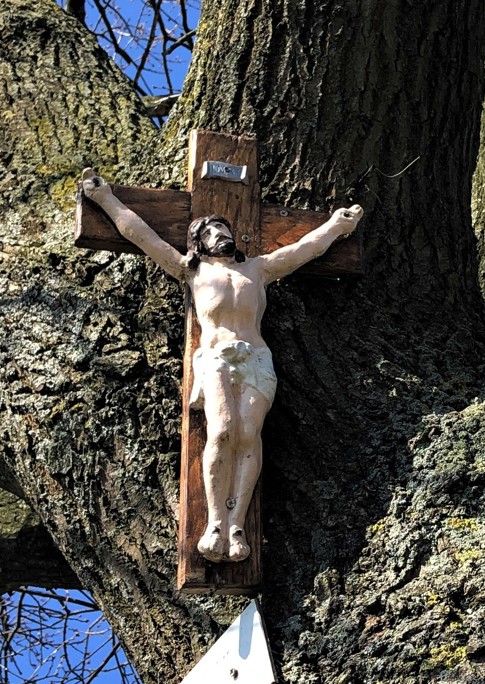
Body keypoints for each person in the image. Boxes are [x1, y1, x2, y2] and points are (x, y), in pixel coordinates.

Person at [80, 168, 363, 563]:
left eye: (223, 226)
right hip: (215, 357)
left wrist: (335, 225)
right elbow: (139, 233)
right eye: (210, 229)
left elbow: (305, 249)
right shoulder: (191, 270)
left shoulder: (259, 269)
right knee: (224, 430)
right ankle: (215, 521)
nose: (220, 232)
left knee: (249, 433)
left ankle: (236, 525)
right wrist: (105, 198)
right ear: (199, 242)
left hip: (256, 358)